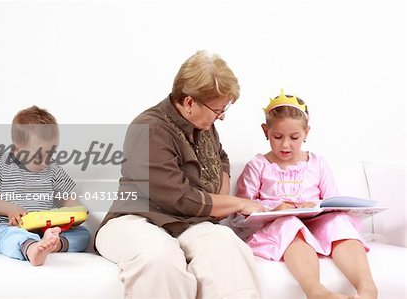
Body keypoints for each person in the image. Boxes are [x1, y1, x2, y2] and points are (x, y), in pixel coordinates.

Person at [95, 51, 264, 298]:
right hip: (136, 219)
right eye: (218, 110)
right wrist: (236, 203)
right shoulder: (149, 128)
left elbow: (222, 159)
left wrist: (220, 195)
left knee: (227, 247)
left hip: (187, 223)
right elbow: (179, 197)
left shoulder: (204, 125)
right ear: (189, 102)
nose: (222, 116)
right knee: (160, 259)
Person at [231, 90, 378, 299]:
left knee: (340, 220)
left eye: (294, 137)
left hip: (317, 224)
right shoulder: (258, 166)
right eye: (278, 137)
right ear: (266, 131)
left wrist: (314, 205)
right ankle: (316, 292)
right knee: (290, 223)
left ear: (306, 133)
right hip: (279, 228)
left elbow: (332, 202)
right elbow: (240, 214)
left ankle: (368, 289)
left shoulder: (317, 163)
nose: (285, 144)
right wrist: (273, 209)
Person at [0, 106, 90, 266]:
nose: (45, 162)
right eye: (38, 157)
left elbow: (67, 199)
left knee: (83, 234)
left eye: (50, 155)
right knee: (9, 236)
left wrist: (77, 210)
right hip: (8, 226)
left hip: (45, 229)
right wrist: (10, 208)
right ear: (17, 149)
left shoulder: (54, 168)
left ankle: (53, 245)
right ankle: (32, 249)